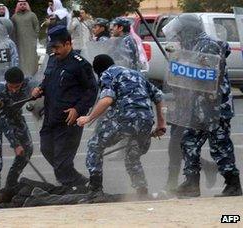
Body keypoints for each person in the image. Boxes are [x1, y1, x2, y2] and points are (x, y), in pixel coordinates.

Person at [163, 14, 242, 197]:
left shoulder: (208, 45)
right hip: (199, 107)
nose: (178, 37)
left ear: (189, 30)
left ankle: (233, 184)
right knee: (188, 142)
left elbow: (209, 75)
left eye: (180, 33)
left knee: (219, 145)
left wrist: (184, 67)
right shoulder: (194, 45)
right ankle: (191, 184)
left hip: (215, 107)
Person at [76, 54, 166, 198]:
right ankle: (142, 191)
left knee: (95, 145)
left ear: (98, 71)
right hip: (146, 121)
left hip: (125, 119)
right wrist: (161, 123)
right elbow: (159, 96)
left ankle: (95, 188)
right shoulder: (137, 74)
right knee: (132, 156)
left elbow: (106, 100)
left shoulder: (107, 74)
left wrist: (89, 118)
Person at [31, 26, 98, 187]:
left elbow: (92, 90)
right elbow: (48, 82)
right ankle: (79, 182)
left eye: (57, 47)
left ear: (68, 44)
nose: (54, 51)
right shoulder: (53, 60)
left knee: (62, 160)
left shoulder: (80, 65)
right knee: (47, 149)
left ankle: (72, 188)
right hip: (51, 116)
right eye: (52, 47)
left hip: (69, 120)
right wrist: (39, 89)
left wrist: (78, 109)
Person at [0, 67, 35, 194]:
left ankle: (11, 183)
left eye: (17, 86)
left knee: (28, 148)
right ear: (6, 83)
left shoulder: (29, 84)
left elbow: (42, 86)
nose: (14, 90)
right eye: (11, 86)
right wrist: (15, 144)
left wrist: (37, 92)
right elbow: (2, 121)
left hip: (14, 114)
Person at [11, 0, 39, 76]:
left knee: (31, 59)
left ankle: (32, 75)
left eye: (24, 4)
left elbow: (36, 27)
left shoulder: (32, 15)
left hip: (30, 42)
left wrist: (34, 37)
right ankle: (22, 75)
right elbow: (12, 30)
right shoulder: (14, 17)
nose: (22, 6)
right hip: (19, 42)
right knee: (21, 59)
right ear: (18, 5)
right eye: (21, 4)